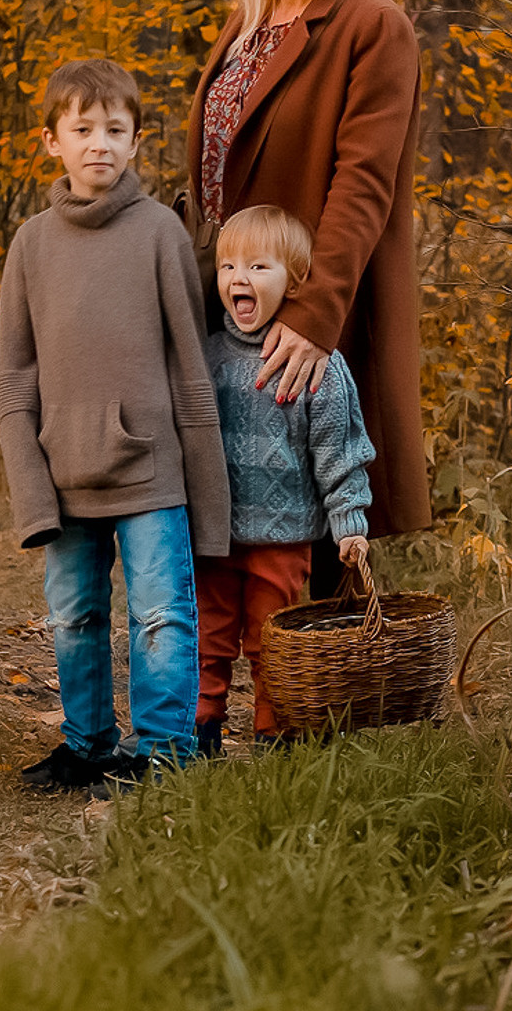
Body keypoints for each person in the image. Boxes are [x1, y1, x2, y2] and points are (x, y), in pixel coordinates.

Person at [183, 0, 428, 598]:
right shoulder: (244, 25)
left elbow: (365, 182)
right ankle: (267, 680)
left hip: (314, 296)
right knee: (254, 503)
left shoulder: (369, 21)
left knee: (320, 497)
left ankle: (324, 697)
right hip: (240, 301)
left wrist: (316, 314)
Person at [0, 58, 230, 791]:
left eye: (116, 130)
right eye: (83, 129)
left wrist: (207, 496)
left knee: (162, 615)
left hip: (151, 470)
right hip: (65, 476)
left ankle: (164, 750)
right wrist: (32, 493)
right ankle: (87, 746)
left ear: (135, 142)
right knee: (74, 617)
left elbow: (193, 370)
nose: (100, 143)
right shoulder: (31, 245)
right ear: (51, 141)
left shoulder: (159, 233)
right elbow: (13, 379)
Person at [195, 206, 375, 755]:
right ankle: (200, 728)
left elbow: (338, 449)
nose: (238, 279)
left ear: (295, 281)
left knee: (271, 638)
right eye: (228, 267)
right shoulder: (206, 355)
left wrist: (349, 523)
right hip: (214, 535)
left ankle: (274, 731)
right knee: (208, 634)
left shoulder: (313, 363)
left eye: (258, 267)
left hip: (283, 534)